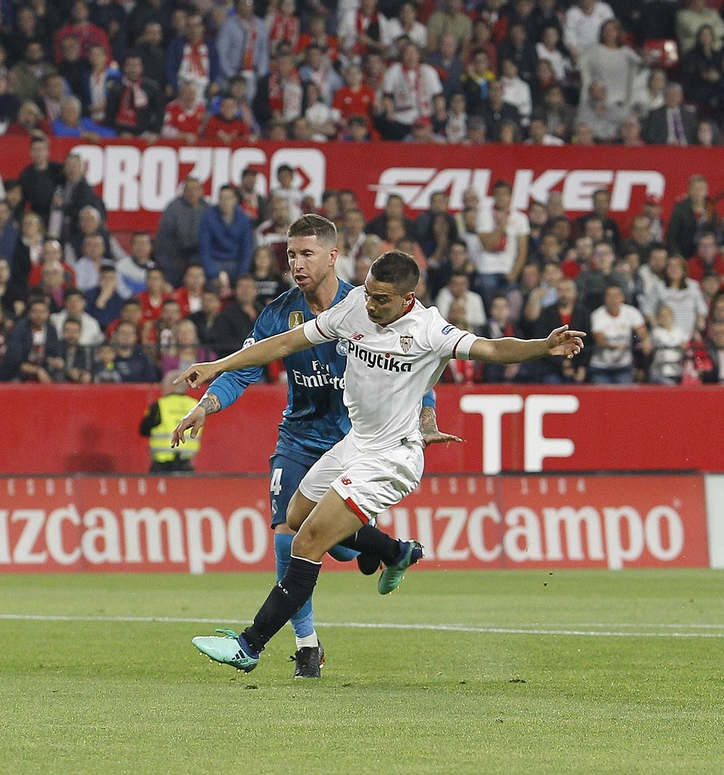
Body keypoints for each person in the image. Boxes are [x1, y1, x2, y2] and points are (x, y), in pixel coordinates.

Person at [178, 249, 584, 673]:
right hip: (355, 443)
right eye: (369, 293)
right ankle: (394, 551)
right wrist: (216, 365)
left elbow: (492, 349)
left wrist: (542, 346)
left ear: (409, 298)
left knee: (305, 541)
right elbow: (285, 342)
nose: (371, 305)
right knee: (296, 517)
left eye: (382, 299)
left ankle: (251, 646)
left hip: (393, 457)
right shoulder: (354, 307)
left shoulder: (430, 330)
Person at [172, 215, 449, 678]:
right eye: (290, 255)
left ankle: (385, 548)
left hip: (355, 441)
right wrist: (207, 404)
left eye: (306, 254)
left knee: (334, 546)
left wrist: (426, 419)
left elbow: (414, 366)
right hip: (299, 437)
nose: (296, 264)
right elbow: (245, 368)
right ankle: (307, 645)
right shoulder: (279, 313)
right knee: (287, 531)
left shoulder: (368, 304)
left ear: (333, 256)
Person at [140, 375, 201, 472]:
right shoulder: (196, 406)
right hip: (186, 465)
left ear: (171, 386)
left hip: (162, 466)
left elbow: (143, 430)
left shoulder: (159, 405)